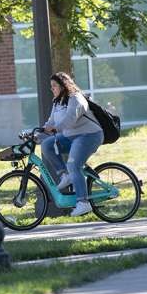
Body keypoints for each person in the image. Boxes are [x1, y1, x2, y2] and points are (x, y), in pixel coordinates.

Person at [40, 72, 104, 217]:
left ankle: (83, 202)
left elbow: (70, 120)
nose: (52, 89)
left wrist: (55, 128)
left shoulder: (76, 98)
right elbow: (51, 122)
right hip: (71, 136)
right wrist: (37, 135)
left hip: (88, 135)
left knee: (73, 165)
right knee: (47, 145)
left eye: (54, 86)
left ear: (63, 86)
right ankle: (65, 175)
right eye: (51, 86)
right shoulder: (57, 101)